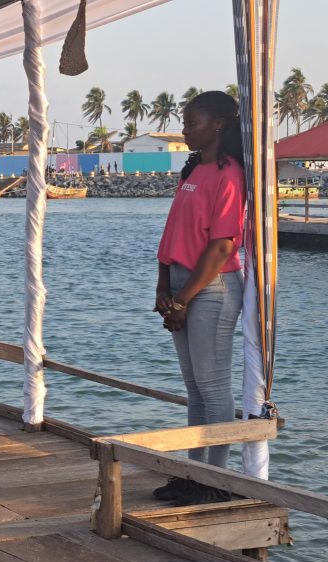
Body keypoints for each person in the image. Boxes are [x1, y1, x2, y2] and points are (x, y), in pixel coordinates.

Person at [153, 91, 245, 506]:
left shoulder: (230, 174)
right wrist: (163, 287)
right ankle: (194, 472)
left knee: (213, 384)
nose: (186, 130)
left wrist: (183, 299)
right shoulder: (193, 170)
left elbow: (222, 246)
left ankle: (217, 479)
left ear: (219, 126)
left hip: (212, 288)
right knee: (194, 387)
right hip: (180, 284)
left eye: (193, 123)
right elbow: (173, 234)